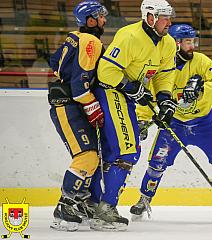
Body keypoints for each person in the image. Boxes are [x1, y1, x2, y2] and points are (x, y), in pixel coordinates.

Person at [130, 24, 212, 224]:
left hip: (204, 124)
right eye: (188, 42)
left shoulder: (201, 61)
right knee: (156, 164)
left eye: (193, 41)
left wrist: (201, 91)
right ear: (176, 43)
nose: (192, 46)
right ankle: (144, 198)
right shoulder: (162, 66)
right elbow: (152, 97)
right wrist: (142, 120)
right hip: (174, 125)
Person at [88, 0, 177, 231]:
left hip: (127, 97)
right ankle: (105, 210)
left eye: (169, 16)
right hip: (110, 91)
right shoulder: (129, 36)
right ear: (149, 17)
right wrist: (129, 85)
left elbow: (164, 75)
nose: (169, 21)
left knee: (111, 152)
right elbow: (106, 71)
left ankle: (93, 203)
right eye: (164, 17)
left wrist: (166, 99)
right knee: (127, 149)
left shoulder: (168, 43)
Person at [47, 1, 108, 231]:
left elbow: (55, 64)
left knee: (92, 156)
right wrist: (93, 106)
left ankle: (80, 201)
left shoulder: (73, 37)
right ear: (90, 20)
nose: (104, 20)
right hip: (70, 106)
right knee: (88, 157)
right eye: (100, 17)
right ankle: (66, 205)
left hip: (69, 105)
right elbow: (80, 86)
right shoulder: (90, 41)